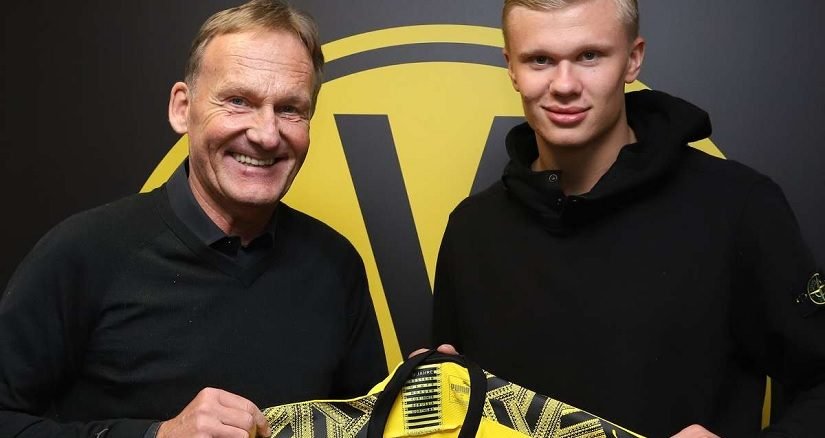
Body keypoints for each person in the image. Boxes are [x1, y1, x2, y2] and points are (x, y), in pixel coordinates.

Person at [431, 0, 825, 436]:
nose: (564, 85)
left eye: (589, 56)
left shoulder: (738, 206)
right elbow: (457, 406)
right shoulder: (471, 230)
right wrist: (429, 397)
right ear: (511, 67)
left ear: (633, 59)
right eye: (540, 59)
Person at [0, 1, 387, 437]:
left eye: (289, 109)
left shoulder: (335, 264)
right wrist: (155, 435)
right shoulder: (83, 253)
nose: (266, 134)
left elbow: (364, 426)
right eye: (238, 101)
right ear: (182, 108)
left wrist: (419, 401)